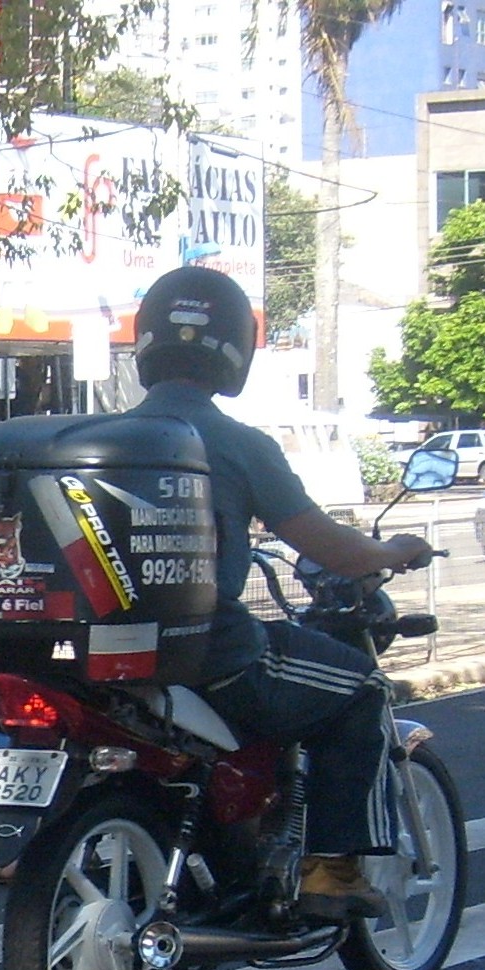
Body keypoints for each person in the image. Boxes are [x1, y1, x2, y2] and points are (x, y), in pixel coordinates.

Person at [124, 265, 432, 920]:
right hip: (213, 655)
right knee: (362, 690)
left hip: (110, 654)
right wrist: (392, 552)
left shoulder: (101, 438)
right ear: (236, 349)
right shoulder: (238, 443)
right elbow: (325, 544)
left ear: (146, 341)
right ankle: (332, 874)